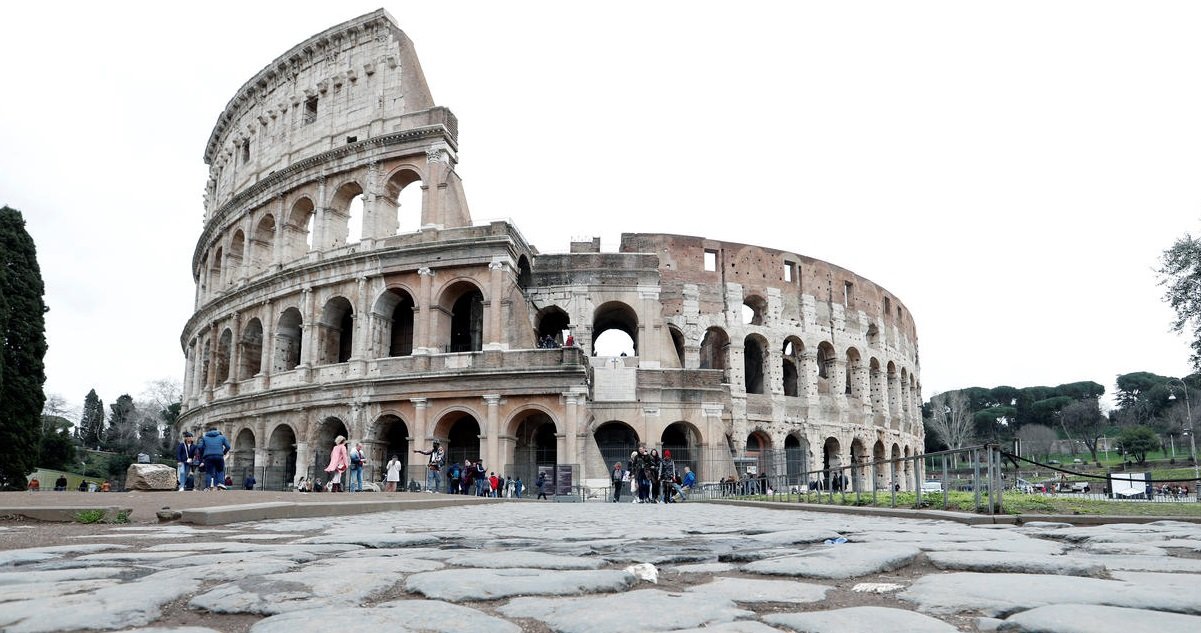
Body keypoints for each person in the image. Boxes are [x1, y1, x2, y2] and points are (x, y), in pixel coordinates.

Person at [197, 426, 231, 490]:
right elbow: (228, 446)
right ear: (217, 430)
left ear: (209, 431)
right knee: (220, 470)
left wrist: (204, 452)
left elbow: (200, 447)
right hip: (219, 456)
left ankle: (208, 487)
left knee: (209, 472)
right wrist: (223, 452)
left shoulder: (204, 438)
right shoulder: (222, 437)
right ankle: (221, 483)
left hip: (208, 456)